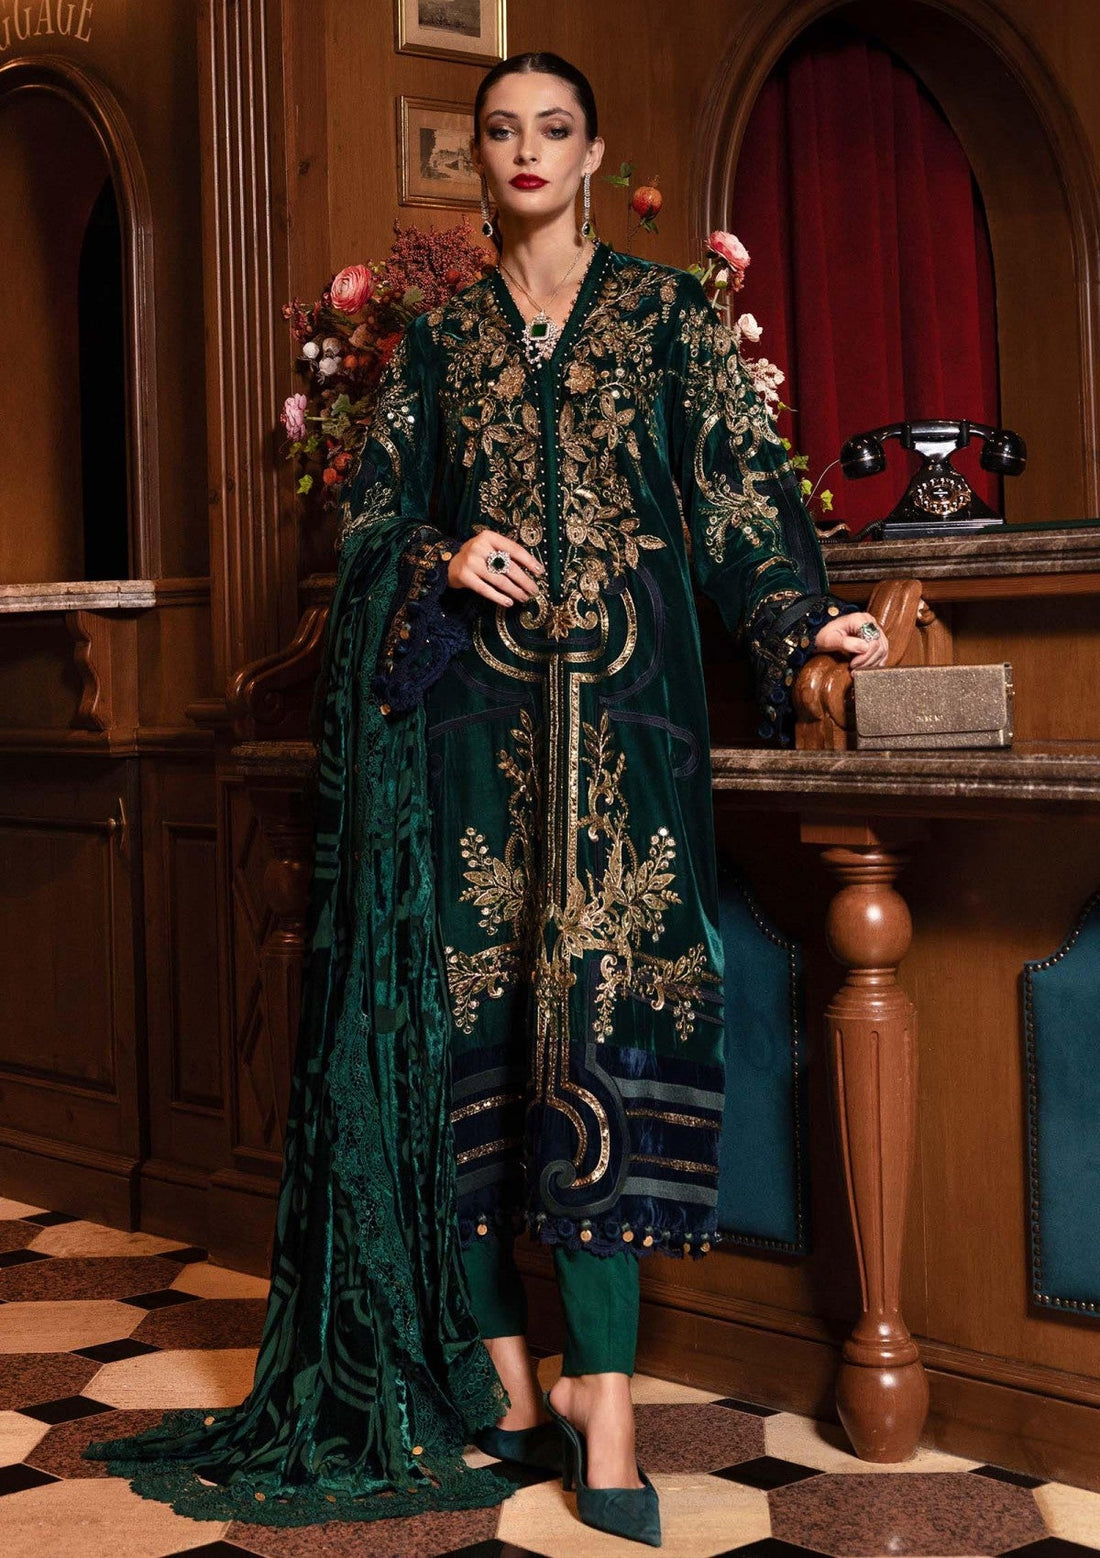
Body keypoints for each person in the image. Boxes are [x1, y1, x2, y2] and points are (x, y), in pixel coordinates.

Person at [85, 47, 887, 1550]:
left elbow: (737, 499)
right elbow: (375, 518)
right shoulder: (442, 346)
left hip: (630, 741)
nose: (528, 151)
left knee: (603, 1035)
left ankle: (607, 1397)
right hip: (468, 742)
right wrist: (440, 554)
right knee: (472, 1040)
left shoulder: (668, 318)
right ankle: (511, 1372)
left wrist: (801, 629)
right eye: (503, 130)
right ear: (479, 158)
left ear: (593, 154)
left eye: (554, 128)